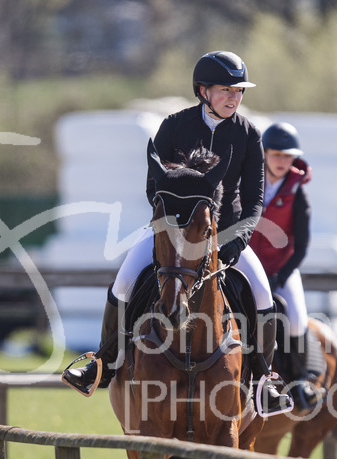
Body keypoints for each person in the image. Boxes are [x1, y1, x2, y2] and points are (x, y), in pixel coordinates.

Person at [63, 50, 293, 416]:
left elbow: (254, 202)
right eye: (225, 90)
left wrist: (236, 242)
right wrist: (169, 228)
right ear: (203, 91)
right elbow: (152, 188)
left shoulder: (249, 135)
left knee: (264, 294)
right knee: (124, 281)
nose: (234, 98)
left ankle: (265, 381)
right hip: (170, 230)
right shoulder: (173, 126)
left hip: (226, 234)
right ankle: (101, 364)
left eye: (239, 91)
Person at [249, 122, 321, 411]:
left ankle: (302, 381)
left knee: (295, 319)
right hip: (245, 264)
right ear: (265, 153)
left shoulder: (298, 193)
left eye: (287, 156)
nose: (281, 162)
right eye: (276, 155)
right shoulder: (248, 181)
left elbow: (302, 246)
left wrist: (281, 275)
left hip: (282, 267)